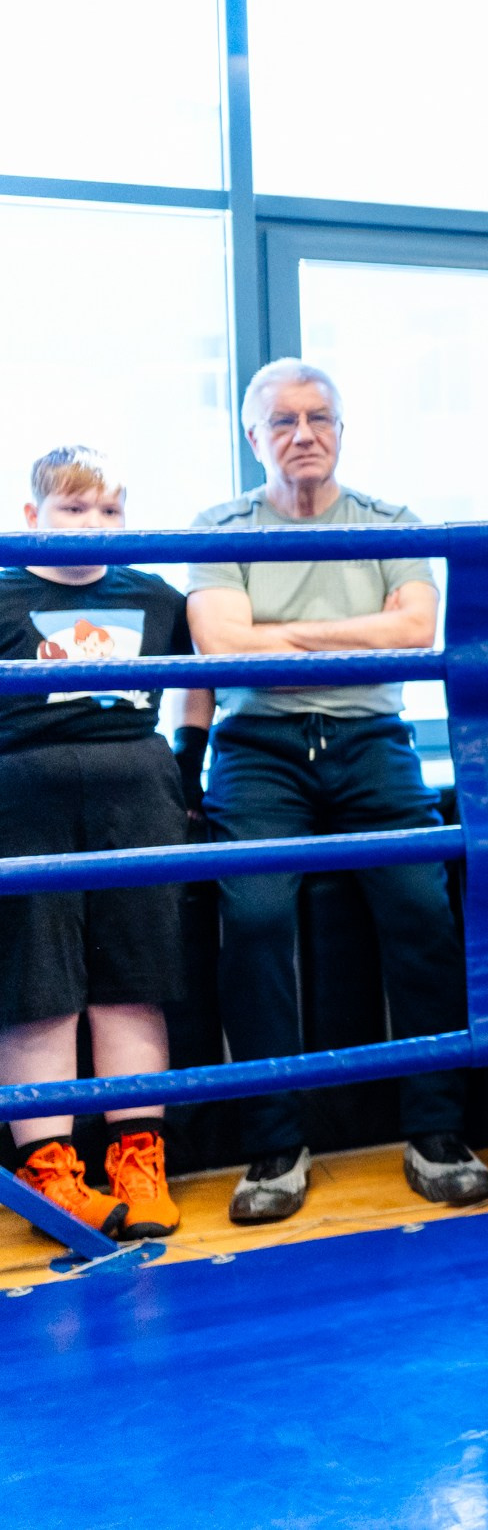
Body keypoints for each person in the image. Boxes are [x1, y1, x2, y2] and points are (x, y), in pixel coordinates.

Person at [186, 359, 488, 1224]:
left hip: (370, 740)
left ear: (342, 429)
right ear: (253, 438)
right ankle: (276, 1145)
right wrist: (342, 641)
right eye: (281, 422)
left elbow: (413, 632)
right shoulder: (219, 523)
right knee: (250, 918)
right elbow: (220, 645)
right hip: (258, 748)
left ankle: (436, 1133)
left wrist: (278, 637)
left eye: (319, 417)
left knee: (423, 911)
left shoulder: (391, 520)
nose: (303, 434)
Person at [0, 447, 202, 1241]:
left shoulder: (154, 595)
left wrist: (187, 758)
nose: (93, 524)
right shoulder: (3, 587)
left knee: (134, 975)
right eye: (74, 509)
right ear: (33, 517)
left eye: (109, 510)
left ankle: (137, 1155)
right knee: (36, 981)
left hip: (136, 787)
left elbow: (201, 675)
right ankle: (49, 1164)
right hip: (23, 790)